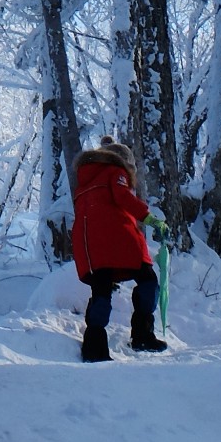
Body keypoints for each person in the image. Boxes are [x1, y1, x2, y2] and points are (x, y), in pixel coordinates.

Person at [73, 136, 168, 360]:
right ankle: (143, 335)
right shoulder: (116, 172)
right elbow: (124, 198)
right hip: (119, 241)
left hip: (90, 247)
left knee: (101, 291)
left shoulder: (83, 183)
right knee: (148, 281)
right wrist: (151, 219)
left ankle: (94, 346)